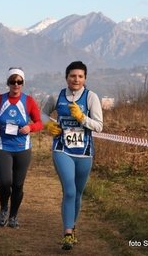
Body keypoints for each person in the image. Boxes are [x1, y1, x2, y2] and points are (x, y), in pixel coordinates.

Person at [40, 61, 103, 250]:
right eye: (73, 76)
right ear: (66, 77)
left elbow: (99, 126)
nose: (76, 79)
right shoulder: (57, 96)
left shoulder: (91, 97)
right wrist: (48, 125)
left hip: (84, 152)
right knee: (69, 190)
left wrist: (82, 118)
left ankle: (72, 228)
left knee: (77, 194)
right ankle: (67, 233)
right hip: (62, 149)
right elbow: (42, 113)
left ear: (85, 78)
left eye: (80, 76)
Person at [0, 67, 43, 229]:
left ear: (23, 83)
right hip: (4, 146)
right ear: (8, 83)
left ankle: (13, 216)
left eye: (19, 82)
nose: (16, 85)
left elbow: (39, 122)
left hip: (22, 148)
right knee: (5, 182)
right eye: (13, 81)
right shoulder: (1, 99)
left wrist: (31, 128)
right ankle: (4, 208)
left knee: (18, 185)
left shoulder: (29, 101)